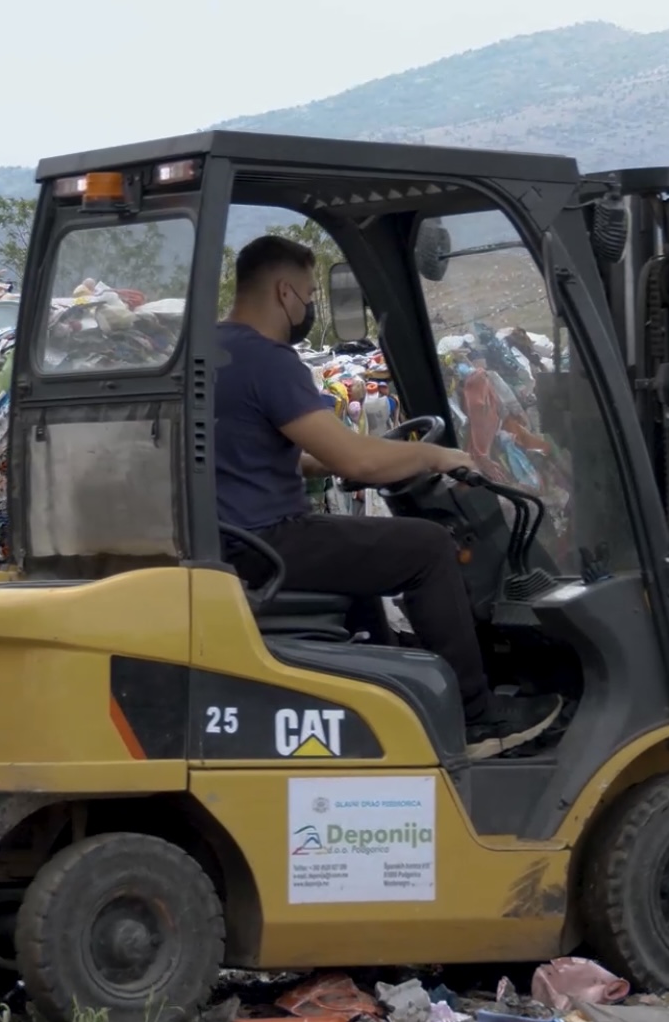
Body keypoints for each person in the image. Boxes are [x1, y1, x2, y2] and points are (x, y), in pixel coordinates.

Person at [213, 235, 563, 759]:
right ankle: (476, 718)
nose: (309, 306)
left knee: (362, 556)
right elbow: (357, 461)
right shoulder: (269, 361)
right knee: (427, 547)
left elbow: (267, 451)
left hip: (232, 540)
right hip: (266, 542)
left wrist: (343, 459)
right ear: (285, 292)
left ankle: (392, 688)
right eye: (309, 294)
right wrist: (433, 456)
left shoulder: (215, 351)